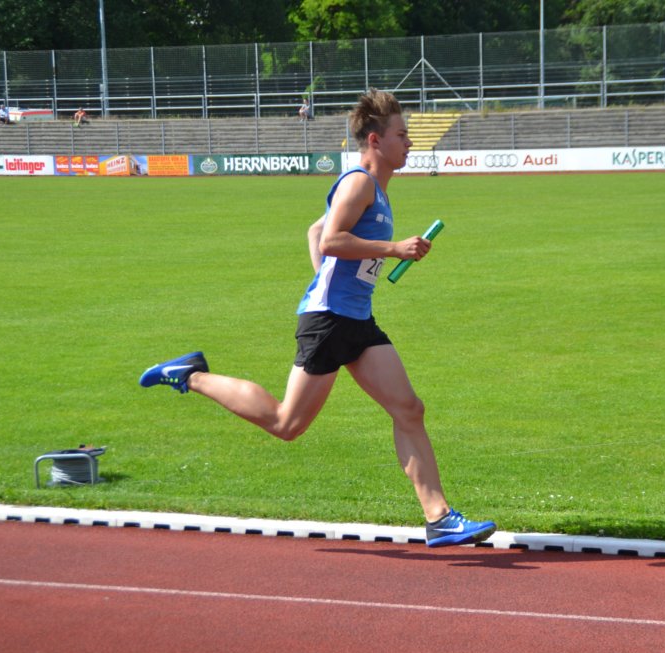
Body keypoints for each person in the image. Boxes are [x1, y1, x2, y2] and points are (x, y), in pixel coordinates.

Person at [139, 89, 496, 547]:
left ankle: (439, 517)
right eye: (402, 135)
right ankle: (190, 376)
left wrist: (328, 279)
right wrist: (391, 250)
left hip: (356, 319)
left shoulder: (378, 190)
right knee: (287, 424)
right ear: (375, 140)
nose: (409, 143)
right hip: (329, 321)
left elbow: (314, 231)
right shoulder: (359, 183)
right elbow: (330, 240)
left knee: (409, 409)